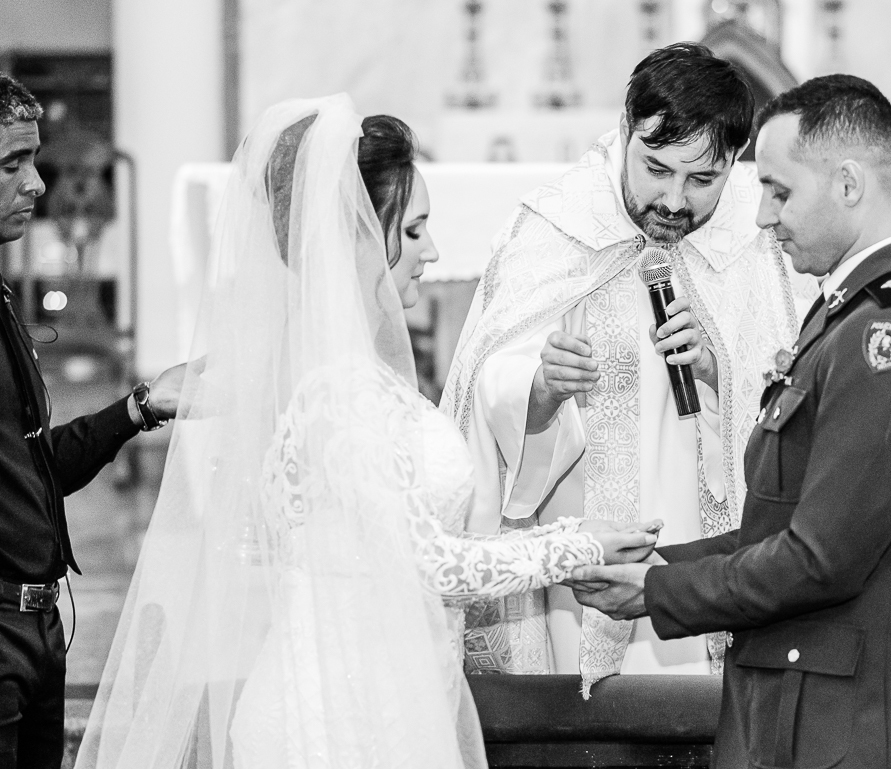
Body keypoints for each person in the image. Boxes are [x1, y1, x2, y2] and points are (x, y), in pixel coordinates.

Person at [76, 95, 660, 769]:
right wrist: (575, 544)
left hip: (373, 698)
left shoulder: (332, 371)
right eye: (413, 230)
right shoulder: (340, 391)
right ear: (352, 234)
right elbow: (430, 562)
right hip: (339, 722)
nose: (432, 250)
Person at [570, 75, 891, 768]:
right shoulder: (849, 310)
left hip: (858, 727)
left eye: (780, 190)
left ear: (849, 184)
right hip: (812, 701)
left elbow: (821, 559)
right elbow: (784, 525)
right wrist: (654, 563)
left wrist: (656, 591)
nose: (762, 215)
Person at [441, 43, 809, 691]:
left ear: (736, 162)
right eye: (656, 168)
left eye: (703, 181)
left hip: (704, 547)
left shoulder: (756, 235)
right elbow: (483, 382)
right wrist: (543, 387)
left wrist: (720, 370)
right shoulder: (560, 224)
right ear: (623, 133)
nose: (673, 200)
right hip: (576, 541)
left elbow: (796, 387)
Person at [0, 75, 186, 769]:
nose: (38, 186)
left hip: (40, 627)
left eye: (33, 162)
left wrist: (138, 408)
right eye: (10, 165)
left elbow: (32, 473)